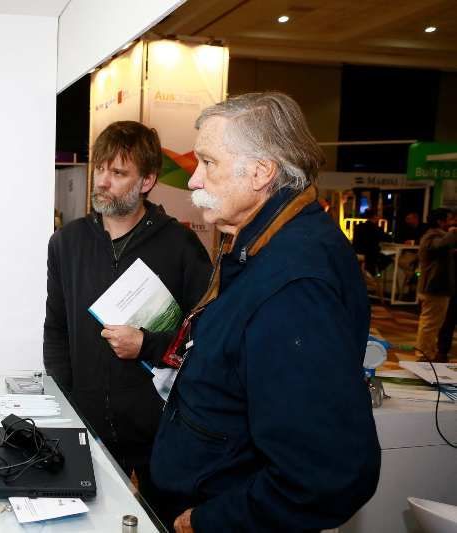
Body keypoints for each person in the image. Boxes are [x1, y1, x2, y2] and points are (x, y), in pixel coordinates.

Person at [150, 92, 380, 532]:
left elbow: (325, 475)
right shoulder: (263, 245)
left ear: (260, 172)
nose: (194, 180)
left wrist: (211, 520)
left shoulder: (294, 286)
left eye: (208, 162)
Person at [43, 121, 211, 511]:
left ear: (148, 180)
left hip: (163, 430)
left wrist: (146, 345)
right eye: (100, 168)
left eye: (118, 173)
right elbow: (57, 329)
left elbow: (207, 334)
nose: (102, 181)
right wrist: (67, 405)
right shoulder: (67, 243)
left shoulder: (181, 245)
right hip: (88, 425)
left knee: (167, 520)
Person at [416, 208, 457, 362]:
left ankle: (428, 353)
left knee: (434, 323)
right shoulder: (432, 236)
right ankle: (423, 355)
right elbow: (438, 246)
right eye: (449, 219)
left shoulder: (435, 236)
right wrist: (452, 233)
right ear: (440, 221)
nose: (451, 222)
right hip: (434, 288)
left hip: (437, 288)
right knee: (430, 323)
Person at [352, 208, 391, 275]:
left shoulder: (358, 226)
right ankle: (373, 273)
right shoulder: (375, 228)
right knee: (388, 258)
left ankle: (368, 272)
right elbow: (388, 239)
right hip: (369, 254)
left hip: (356, 252)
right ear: (375, 216)